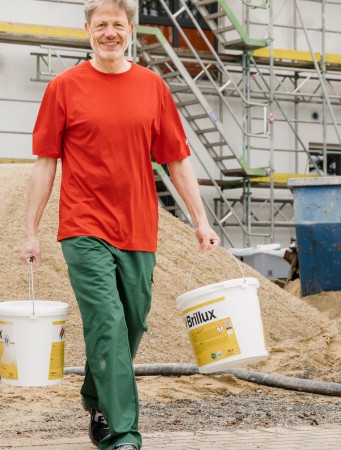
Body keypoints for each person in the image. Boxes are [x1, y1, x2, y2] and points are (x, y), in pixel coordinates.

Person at [18, 0, 220, 449]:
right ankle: (123, 435)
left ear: (131, 29)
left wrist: (200, 221)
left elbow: (177, 161)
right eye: (101, 24)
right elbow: (45, 163)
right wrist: (31, 231)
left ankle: (95, 396)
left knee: (132, 323)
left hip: (139, 229)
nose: (110, 32)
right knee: (106, 322)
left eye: (118, 25)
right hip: (82, 227)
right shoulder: (64, 87)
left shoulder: (153, 88)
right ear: (87, 28)